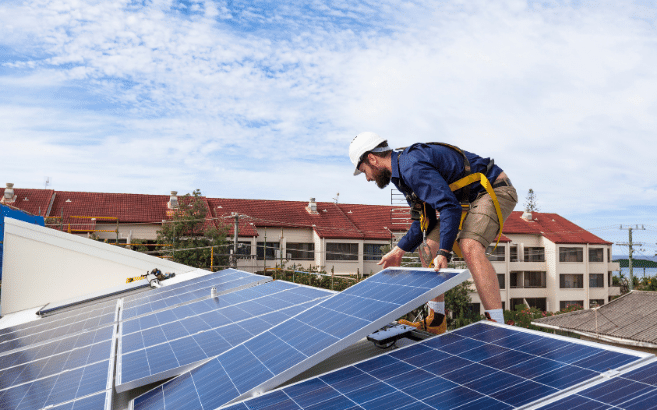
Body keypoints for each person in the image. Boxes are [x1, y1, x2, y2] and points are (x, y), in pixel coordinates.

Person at [349, 132, 517, 334]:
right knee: (428, 246)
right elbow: (424, 220)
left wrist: (444, 252)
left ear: (372, 159)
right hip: (464, 200)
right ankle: (436, 320)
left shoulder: (411, 166)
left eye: (364, 170)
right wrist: (399, 251)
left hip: (493, 189)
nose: (367, 178)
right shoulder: (401, 174)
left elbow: (449, 207)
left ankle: (497, 326)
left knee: (469, 246)